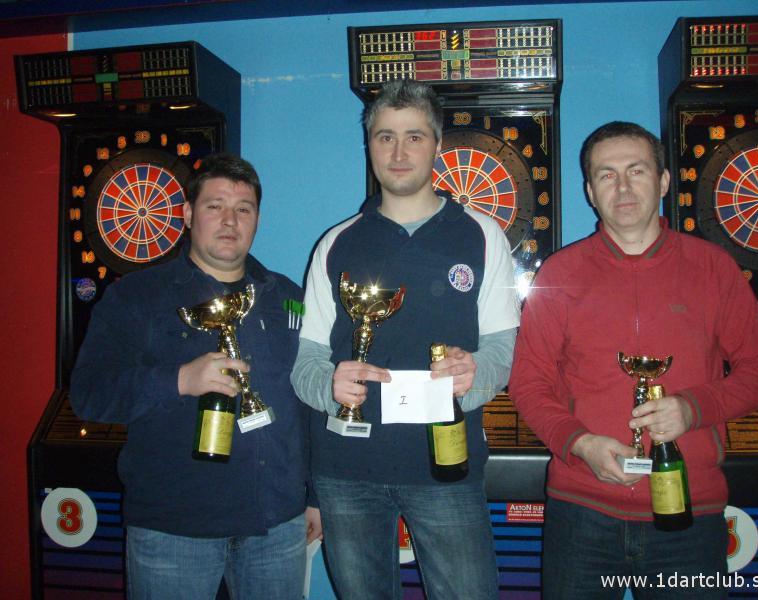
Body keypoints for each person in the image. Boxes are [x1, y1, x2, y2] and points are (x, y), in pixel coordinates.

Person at [508, 121, 758, 599]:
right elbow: (528, 383)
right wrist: (580, 444)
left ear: (663, 181)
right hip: (582, 513)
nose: (622, 186)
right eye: (606, 174)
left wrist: (693, 409)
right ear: (590, 192)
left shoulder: (713, 269)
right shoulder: (560, 273)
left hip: (689, 513)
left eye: (636, 171)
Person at [291, 79, 519, 599]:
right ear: (369, 145)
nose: (398, 153)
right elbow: (306, 359)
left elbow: (503, 349)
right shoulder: (335, 243)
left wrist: (474, 377)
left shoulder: (483, 235)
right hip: (346, 471)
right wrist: (329, 385)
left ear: (437, 145)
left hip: (446, 466)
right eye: (385, 137)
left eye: (414, 137)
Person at [71, 153, 321, 599]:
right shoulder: (136, 297)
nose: (230, 220)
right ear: (188, 214)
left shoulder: (287, 297)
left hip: (275, 524)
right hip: (174, 530)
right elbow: (90, 394)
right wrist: (179, 380)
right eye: (215, 206)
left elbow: (307, 402)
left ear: (257, 218)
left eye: (243, 209)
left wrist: (315, 496)